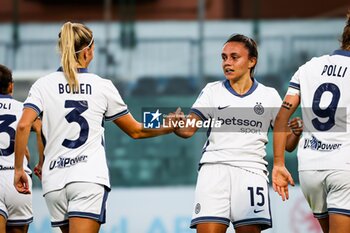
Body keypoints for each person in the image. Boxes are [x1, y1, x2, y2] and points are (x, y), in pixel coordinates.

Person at [13, 22, 177, 233]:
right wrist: (167, 125)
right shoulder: (102, 86)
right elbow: (136, 129)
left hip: (53, 182)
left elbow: (24, 125)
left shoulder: (42, 85)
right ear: (88, 51)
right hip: (87, 178)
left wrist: (19, 169)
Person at [174, 34, 302, 233]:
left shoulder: (268, 95)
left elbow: (287, 144)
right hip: (214, 171)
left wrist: (296, 133)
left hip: (251, 172)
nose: (227, 63)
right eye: (224, 57)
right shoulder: (212, 91)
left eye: (234, 57)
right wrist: (176, 124)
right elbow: (188, 129)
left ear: (252, 61)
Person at [272, 12, 350, 233]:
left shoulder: (308, 68)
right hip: (344, 166)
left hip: (310, 168)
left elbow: (281, 118)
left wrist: (278, 163)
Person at [0, 64, 43, 233]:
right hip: (17, 178)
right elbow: (40, 129)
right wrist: (41, 162)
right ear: (11, 85)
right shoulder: (24, 109)